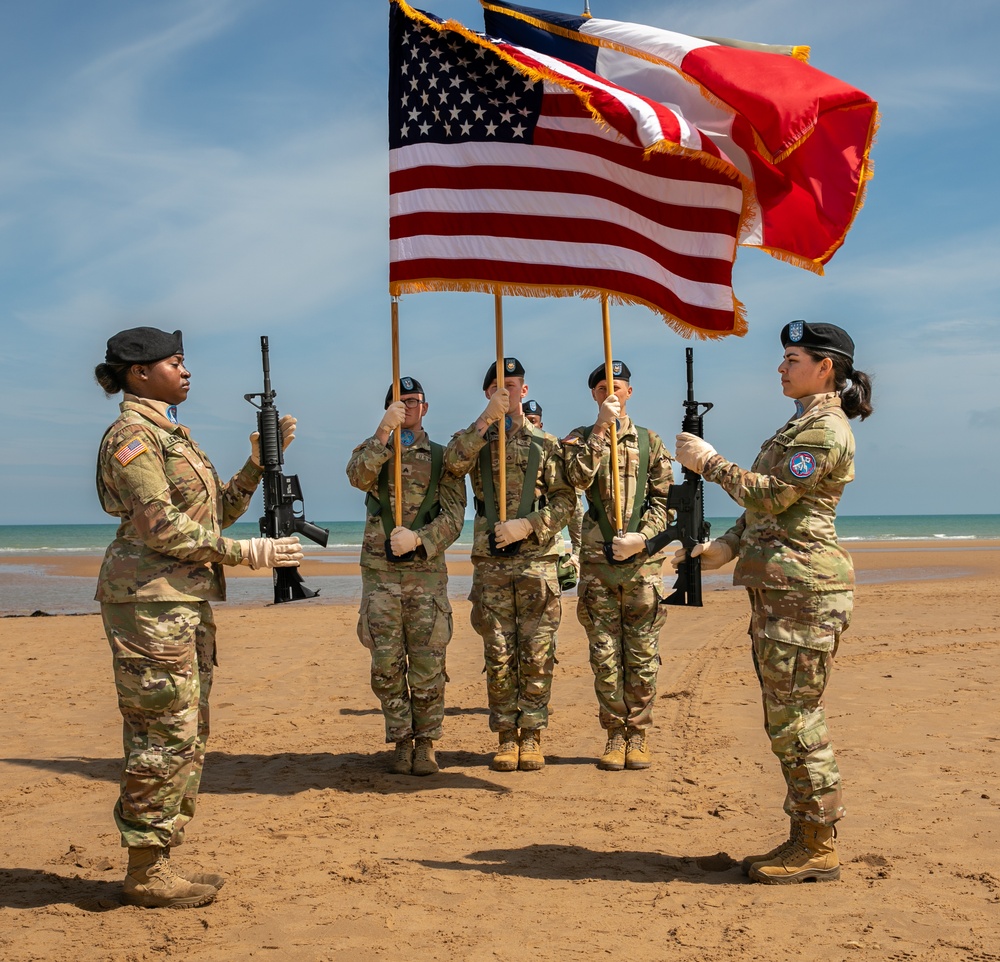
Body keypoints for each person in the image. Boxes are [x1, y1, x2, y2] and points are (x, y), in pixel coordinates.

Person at [94, 326, 303, 908]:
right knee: (161, 735)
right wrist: (250, 554)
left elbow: (213, 517)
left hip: (178, 602)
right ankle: (144, 871)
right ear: (140, 372)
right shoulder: (133, 437)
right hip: (148, 602)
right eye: (175, 362)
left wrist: (256, 466)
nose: (186, 371)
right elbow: (160, 527)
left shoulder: (170, 435)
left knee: (185, 732)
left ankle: (156, 860)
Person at [673, 320, 874, 885]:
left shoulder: (825, 431)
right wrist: (724, 549)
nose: (781, 369)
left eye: (792, 359)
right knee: (783, 716)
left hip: (805, 592)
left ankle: (818, 843)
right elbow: (766, 513)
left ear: (825, 367)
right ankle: (803, 834)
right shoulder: (798, 425)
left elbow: (773, 492)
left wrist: (708, 463)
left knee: (796, 718)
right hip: (782, 588)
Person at [445, 358, 575, 771]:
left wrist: (529, 526)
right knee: (499, 653)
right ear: (489, 393)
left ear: (525, 389)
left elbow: (566, 502)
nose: (509, 392)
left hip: (537, 560)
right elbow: (452, 463)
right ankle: (506, 736)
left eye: (515, 385)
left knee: (537, 652)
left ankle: (532, 735)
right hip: (493, 564)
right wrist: (486, 419)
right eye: (500, 387)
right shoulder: (477, 439)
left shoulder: (548, 444)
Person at [345, 376, 467, 776]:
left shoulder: (441, 456)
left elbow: (454, 518)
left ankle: (427, 742)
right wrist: (383, 431)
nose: (409, 406)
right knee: (386, 663)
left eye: (415, 401)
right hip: (380, 575)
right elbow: (358, 476)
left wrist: (420, 539)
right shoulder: (374, 450)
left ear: (425, 408)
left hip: (425, 575)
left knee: (428, 662)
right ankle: (400, 739)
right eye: (400, 402)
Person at [563, 361, 674, 770]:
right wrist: (597, 431)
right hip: (598, 565)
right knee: (606, 656)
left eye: (619, 387)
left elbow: (663, 502)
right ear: (595, 395)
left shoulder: (650, 442)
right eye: (603, 388)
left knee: (643, 655)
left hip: (642, 568)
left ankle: (639, 733)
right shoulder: (578, 438)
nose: (612, 392)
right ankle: (614, 734)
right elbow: (575, 479)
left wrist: (643, 538)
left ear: (630, 392)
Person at [524, 398, 583, 589]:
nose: (528, 424)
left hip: (548, 544)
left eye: (532, 421)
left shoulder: (552, 449)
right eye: (525, 419)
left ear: (540, 424)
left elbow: (575, 509)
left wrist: (577, 552)